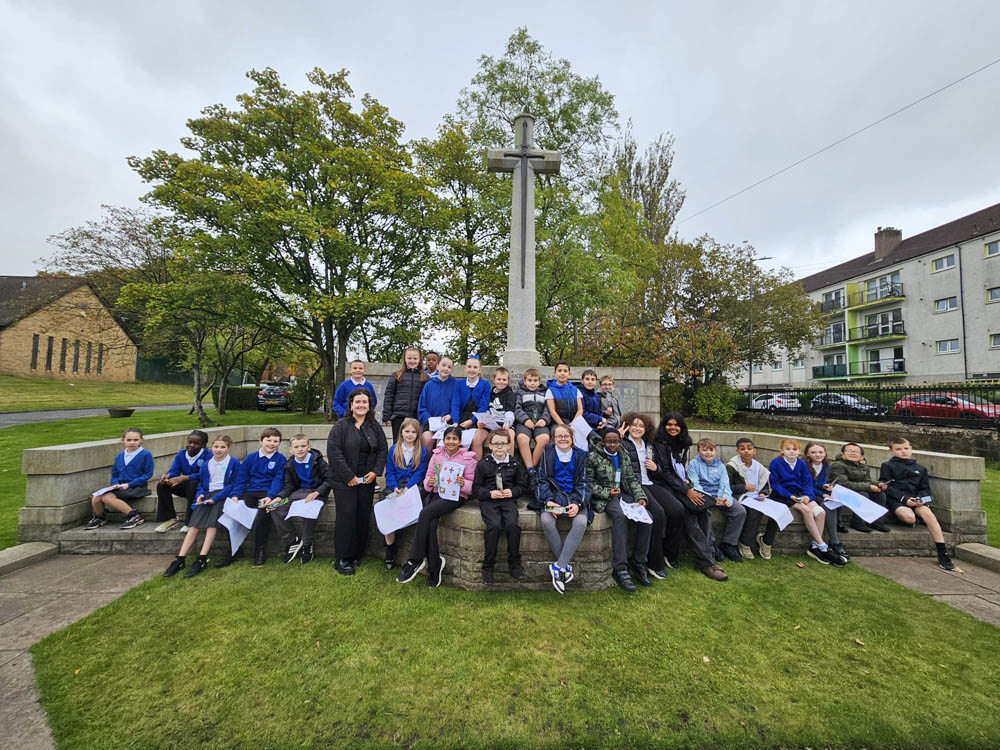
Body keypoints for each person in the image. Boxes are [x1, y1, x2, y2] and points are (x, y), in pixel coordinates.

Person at [648, 414, 728, 581]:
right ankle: (705, 563)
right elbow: (665, 473)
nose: (673, 428)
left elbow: (679, 467)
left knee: (704, 510)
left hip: (679, 484)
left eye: (676, 425)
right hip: (664, 486)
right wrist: (686, 490)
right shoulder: (659, 443)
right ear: (664, 426)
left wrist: (686, 483)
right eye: (669, 424)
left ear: (682, 427)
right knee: (688, 515)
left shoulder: (682, 443)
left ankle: (709, 557)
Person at [396, 426, 478, 588]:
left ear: (460, 441)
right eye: (448, 438)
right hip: (437, 493)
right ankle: (435, 567)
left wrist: (464, 483)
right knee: (431, 524)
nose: (451, 442)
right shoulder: (437, 455)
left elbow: (472, 486)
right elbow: (428, 478)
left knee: (425, 514)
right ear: (443, 440)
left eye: (454, 439)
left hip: (455, 496)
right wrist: (430, 483)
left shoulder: (468, 459)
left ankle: (415, 559)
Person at [327, 388, 388, 575]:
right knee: (347, 515)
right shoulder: (341, 426)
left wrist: (375, 472)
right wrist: (348, 477)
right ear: (351, 405)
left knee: (362, 516)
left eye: (364, 402)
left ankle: (356, 553)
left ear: (369, 405)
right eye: (358, 402)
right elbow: (334, 453)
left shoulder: (374, 426)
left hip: (366, 479)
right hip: (344, 480)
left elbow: (382, 450)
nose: (361, 405)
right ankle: (343, 558)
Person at [163, 435, 239, 579]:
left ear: (229, 448)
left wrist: (215, 498)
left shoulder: (233, 463)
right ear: (211, 448)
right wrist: (201, 495)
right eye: (216, 447)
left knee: (211, 525)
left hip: (222, 496)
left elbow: (232, 485)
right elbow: (203, 485)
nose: (219, 450)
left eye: (223, 447)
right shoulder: (207, 464)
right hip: (208, 495)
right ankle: (180, 558)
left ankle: (202, 558)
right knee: (194, 526)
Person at [527, 424, 591, 593]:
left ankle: (559, 567)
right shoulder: (547, 454)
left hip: (574, 498)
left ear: (572, 438)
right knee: (546, 520)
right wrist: (548, 501)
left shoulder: (582, 456)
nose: (563, 439)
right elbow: (541, 480)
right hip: (554, 498)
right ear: (554, 439)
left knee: (581, 522)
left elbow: (585, 482)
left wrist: (577, 503)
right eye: (559, 436)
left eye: (566, 436)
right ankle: (563, 568)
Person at [759, 439, 844, 566]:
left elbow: (807, 483)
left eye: (794, 449)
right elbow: (775, 484)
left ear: (799, 451)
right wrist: (790, 496)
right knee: (807, 510)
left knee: (820, 513)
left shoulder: (802, 464)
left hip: (800, 494)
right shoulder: (776, 463)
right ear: (782, 451)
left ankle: (815, 546)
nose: (791, 452)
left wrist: (808, 497)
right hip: (783, 495)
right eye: (788, 449)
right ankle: (822, 546)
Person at [587, 429, 651, 592]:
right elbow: (587, 483)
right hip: (605, 497)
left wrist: (640, 497)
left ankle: (639, 562)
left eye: (616, 441)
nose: (613, 445)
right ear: (602, 442)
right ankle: (620, 568)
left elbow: (630, 479)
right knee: (620, 517)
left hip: (622, 494)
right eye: (609, 442)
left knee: (647, 517)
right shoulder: (593, 457)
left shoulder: (623, 455)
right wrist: (606, 492)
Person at [878, 436, 955, 570]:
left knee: (928, 514)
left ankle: (942, 552)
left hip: (916, 501)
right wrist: (904, 499)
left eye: (906, 448)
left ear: (911, 448)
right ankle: (910, 520)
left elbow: (926, 490)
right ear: (891, 451)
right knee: (909, 518)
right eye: (898, 449)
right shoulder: (887, 466)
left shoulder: (921, 469)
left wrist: (920, 500)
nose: (903, 451)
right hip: (898, 500)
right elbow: (886, 486)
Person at [215, 427, 287, 568]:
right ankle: (234, 551)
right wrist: (235, 495)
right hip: (250, 492)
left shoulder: (281, 459)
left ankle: (259, 550)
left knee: (263, 514)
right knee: (231, 513)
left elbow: (278, 480)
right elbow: (241, 479)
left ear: (279, 443)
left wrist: (271, 496)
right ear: (261, 441)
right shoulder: (250, 458)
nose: (272, 443)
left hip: (267, 494)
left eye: (275, 441)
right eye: (268, 440)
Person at [471, 430, 528, 584]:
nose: (499, 447)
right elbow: (475, 489)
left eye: (503, 444)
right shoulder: (483, 464)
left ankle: (514, 563)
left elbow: (522, 486)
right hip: (490, 500)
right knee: (494, 527)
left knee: (512, 526)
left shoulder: (515, 464)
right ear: (490, 446)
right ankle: (488, 567)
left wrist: (513, 491)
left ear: (509, 445)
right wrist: (490, 494)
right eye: (496, 444)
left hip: (508, 500)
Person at [617, 412, 669, 580]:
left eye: (641, 426)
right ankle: (650, 562)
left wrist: (656, 468)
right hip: (636, 485)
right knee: (656, 515)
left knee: (674, 510)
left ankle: (663, 557)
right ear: (627, 425)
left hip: (651, 483)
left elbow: (661, 468)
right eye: (634, 424)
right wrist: (618, 437)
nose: (637, 428)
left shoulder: (649, 445)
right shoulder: (622, 443)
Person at [271, 434, 331, 565]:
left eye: (303, 446)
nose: (300, 449)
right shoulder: (289, 464)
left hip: (316, 494)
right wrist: (279, 497)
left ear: (309, 447)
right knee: (273, 507)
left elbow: (329, 479)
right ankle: (292, 540)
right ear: (291, 450)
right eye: (296, 447)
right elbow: (289, 485)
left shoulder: (317, 460)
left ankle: (307, 545)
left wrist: (318, 492)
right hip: (297, 494)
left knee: (308, 510)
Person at [687, 438, 747, 563]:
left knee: (739, 511)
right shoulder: (693, 464)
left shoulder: (720, 465)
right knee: (706, 513)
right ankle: (712, 545)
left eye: (711, 450)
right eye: (704, 450)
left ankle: (729, 544)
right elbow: (695, 484)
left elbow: (724, 483)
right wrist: (712, 499)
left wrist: (723, 497)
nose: (708, 453)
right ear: (698, 451)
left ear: (715, 451)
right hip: (703, 495)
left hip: (720, 495)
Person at [381, 417, 429, 569]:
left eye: (413, 432)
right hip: (395, 485)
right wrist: (394, 487)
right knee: (389, 505)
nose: (409, 435)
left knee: (413, 501)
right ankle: (390, 549)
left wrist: (408, 487)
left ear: (417, 434)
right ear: (401, 432)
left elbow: (419, 473)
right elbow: (389, 472)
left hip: (412, 486)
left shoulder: (421, 451)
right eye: (407, 431)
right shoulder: (394, 449)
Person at [85, 427, 153, 531]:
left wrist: (129, 485)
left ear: (141, 440)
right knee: (96, 497)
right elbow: (115, 473)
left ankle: (134, 516)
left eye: (135, 440)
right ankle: (99, 517)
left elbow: (148, 474)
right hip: (120, 486)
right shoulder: (119, 456)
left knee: (107, 498)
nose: (132, 442)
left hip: (137, 487)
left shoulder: (146, 454)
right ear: (123, 440)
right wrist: (115, 483)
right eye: (129, 440)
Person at [803, 442, 850, 562]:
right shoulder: (803, 466)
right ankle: (834, 541)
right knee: (827, 505)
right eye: (813, 452)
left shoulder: (826, 466)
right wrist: (822, 493)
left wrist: (827, 486)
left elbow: (821, 483)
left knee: (837, 500)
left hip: (820, 492)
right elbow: (806, 486)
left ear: (825, 453)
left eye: (820, 452)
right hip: (808, 494)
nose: (818, 455)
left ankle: (838, 524)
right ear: (807, 454)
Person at [828, 443, 890, 534]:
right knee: (863, 494)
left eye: (856, 451)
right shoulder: (838, 465)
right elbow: (843, 484)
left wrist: (879, 484)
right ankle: (857, 523)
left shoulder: (863, 466)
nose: (852, 453)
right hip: (840, 491)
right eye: (849, 451)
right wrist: (868, 487)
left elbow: (867, 481)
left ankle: (876, 522)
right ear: (842, 454)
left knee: (880, 494)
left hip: (856, 489)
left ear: (861, 456)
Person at [154, 430, 208, 533]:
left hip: (201, 488)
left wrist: (184, 478)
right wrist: (167, 476)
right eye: (190, 442)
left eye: (196, 443)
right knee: (162, 486)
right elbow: (174, 470)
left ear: (203, 445)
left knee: (193, 484)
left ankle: (190, 521)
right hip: (186, 487)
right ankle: (170, 519)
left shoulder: (207, 455)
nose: (191, 445)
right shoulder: (181, 454)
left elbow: (203, 474)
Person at [726, 437, 771, 560]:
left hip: (756, 496)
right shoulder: (732, 466)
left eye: (749, 449)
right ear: (737, 451)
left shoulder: (759, 467)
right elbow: (728, 487)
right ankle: (745, 543)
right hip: (740, 496)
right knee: (753, 511)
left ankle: (767, 542)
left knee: (774, 510)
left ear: (754, 451)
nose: (746, 451)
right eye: (742, 449)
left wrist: (763, 493)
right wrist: (744, 487)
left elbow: (764, 485)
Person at [382, 347, 428, 442]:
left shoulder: (425, 378)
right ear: (405, 359)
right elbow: (389, 395)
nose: (412, 361)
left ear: (419, 360)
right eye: (409, 358)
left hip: (416, 416)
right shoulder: (396, 375)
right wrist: (387, 415)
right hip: (399, 416)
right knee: (398, 443)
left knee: (415, 444)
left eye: (415, 358)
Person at [471, 366, 517, 459]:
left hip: (504, 424)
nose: (501, 382)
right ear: (494, 380)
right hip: (490, 424)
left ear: (508, 381)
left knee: (510, 436)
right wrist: (481, 422)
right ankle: (477, 466)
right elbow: (486, 410)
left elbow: (510, 411)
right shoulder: (489, 394)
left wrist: (507, 423)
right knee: (477, 438)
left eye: (504, 379)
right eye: (499, 379)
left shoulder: (510, 394)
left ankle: (510, 465)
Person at [417, 356, 458, 453]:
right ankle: (427, 466)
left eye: (449, 367)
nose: (446, 368)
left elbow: (458, 404)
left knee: (442, 442)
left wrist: (451, 415)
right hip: (431, 423)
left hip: (448, 423)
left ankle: (439, 467)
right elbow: (422, 407)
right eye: (443, 365)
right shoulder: (429, 385)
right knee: (427, 439)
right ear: (438, 366)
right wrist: (430, 420)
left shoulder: (456, 384)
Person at [513, 368, 550, 474]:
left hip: (540, 422)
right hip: (524, 422)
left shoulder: (545, 393)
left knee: (544, 438)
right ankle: (530, 467)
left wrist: (544, 419)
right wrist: (525, 420)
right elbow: (517, 408)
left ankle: (532, 468)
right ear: (524, 381)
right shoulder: (520, 393)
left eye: (535, 380)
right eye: (530, 380)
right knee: (522, 438)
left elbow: (548, 408)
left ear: (539, 381)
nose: (532, 383)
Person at [451, 356, 491, 430]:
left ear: (480, 370)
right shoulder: (458, 383)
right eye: (469, 367)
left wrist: (471, 421)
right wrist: (455, 421)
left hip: (478, 418)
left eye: (475, 367)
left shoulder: (485, 384)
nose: (472, 370)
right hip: (461, 417)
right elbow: (455, 404)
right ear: (465, 368)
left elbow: (483, 406)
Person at [545, 361, 583, 432]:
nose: (562, 373)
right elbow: (552, 411)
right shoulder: (550, 390)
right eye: (559, 371)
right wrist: (563, 425)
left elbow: (580, 410)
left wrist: (573, 423)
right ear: (555, 373)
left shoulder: (575, 389)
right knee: (561, 433)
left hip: (574, 421)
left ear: (569, 374)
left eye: (565, 371)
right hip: (557, 422)